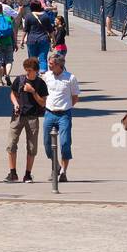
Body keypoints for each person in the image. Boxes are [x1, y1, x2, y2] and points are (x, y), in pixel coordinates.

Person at [5, 57, 48, 183]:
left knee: (32, 147)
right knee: (11, 144)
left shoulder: (40, 84)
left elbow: (43, 103)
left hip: (32, 117)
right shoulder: (20, 79)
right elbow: (12, 93)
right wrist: (15, 103)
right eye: (26, 70)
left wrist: (33, 91)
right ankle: (12, 173)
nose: (27, 72)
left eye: (29, 70)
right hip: (18, 115)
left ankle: (28, 174)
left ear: (36, 71)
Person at [42, 51, 79, 182]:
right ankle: (55, 166)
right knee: (47, 144)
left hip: (64, 114)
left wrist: (67, 106)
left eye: (51, 64)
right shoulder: (46, 76)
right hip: (49, 113)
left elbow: (75, 97)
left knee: (65, 143)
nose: (49, 65)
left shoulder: (70, 78)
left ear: (59, 64)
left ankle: (63, 171)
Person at [21, 0, 53, 73]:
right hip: (44, 39)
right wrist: (53, 40)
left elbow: (25, 30)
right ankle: (43, 73)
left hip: (32, 39)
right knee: (43, 58)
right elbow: (50, 30)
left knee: (32, 59)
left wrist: (22, 40)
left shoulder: (28, 16)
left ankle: (33, 74)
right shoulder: (45, 16)